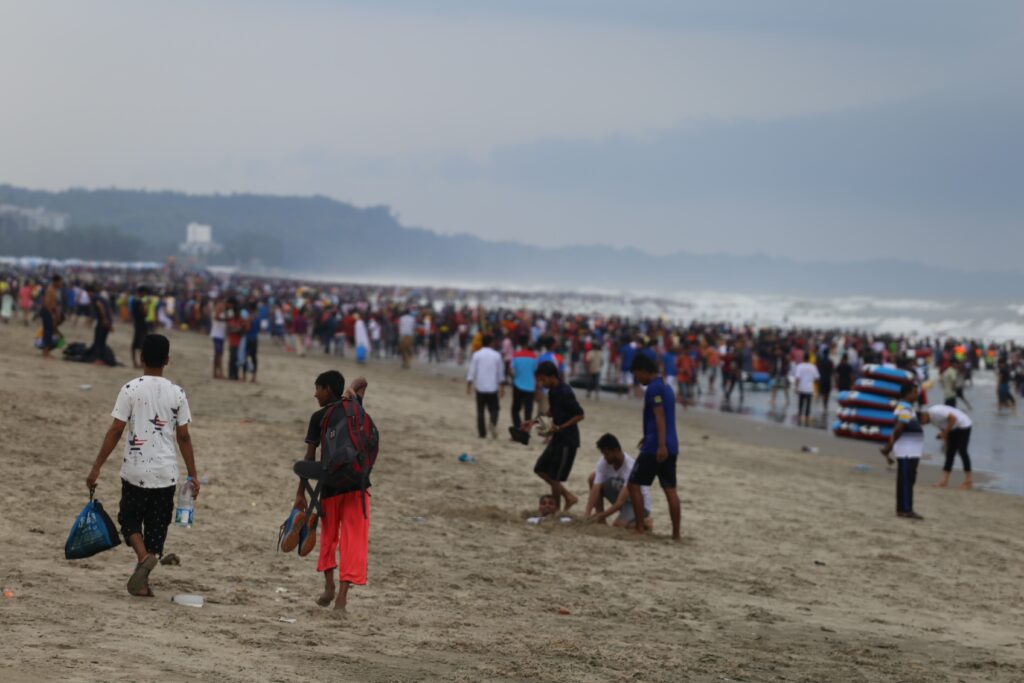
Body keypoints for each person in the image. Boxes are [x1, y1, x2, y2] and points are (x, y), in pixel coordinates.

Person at [85, 334, 199, 597]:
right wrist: (193, 475)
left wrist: (96, 467)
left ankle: (142, 557)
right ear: (167, 360)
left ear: (141, 357)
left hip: (135, 468)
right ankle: (147, 569)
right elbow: (183, 437)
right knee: (157, 528)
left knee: (129, 520)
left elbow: (115, 430)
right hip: (165, 472)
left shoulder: (130, 389)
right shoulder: (178, 393)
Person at [294, 371, 371, 611]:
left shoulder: (319, 417)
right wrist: (351, 392)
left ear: (328, 389)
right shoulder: (354, 408)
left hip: (330, 486)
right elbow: (362, 382)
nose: (315, 394)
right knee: (353, 541)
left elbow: (310, 457)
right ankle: (342, 599)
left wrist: (300, 494)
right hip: (358, 486)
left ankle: (329, 587)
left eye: (318, 389)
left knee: (329, 537)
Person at [627, 353, 681, 539]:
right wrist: (647, 436)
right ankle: (675, 534)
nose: (637, 378)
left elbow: (660, 416)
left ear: (643, 371)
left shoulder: (653, 389)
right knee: (670, 489)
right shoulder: (666, 386)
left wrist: (659, 445)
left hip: (656, 447)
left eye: (637, 374)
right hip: (670, 444)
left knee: (633, 483)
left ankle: (640, 527)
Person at [524, 361, 585, 511]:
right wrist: (533, 421)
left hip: (567, 440)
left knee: (555, 477)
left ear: (552, 377)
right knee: (540, 469)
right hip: (557, 438)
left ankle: (555, 510)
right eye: (539, 380)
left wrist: (559, 427)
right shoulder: (553, 391)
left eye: (542, 379)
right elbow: (552, 411)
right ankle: (569, 497)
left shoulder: (565, 391)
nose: (540, 383)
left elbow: (580, 415)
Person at [585, 433, 652, 530]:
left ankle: (645, 522)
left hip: (638, 504)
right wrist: (587, 513)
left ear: (616, 450)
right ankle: (601, 519)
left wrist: (603, 515)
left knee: (618, 525)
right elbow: (595, 488)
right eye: (603, 454)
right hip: (622, 497)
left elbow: (619, 502)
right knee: (593, 477)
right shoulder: (604, 462)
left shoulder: (630, 467)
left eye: (607, 454)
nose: (604, 457)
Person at [880, 384, 924, 520]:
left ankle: (904, 508)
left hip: (911, 450)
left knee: (908, 479)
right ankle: (905, 509)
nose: (917, 395)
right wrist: (890, 446)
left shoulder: (907, 407)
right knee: (906, 479)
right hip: (907, 450)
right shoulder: (905, 407)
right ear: (907, 394)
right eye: (914, 392)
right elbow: (899, 428)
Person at [919, 405, 973, 489]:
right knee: (949, 453)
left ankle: (968, 481)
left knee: (962, 451)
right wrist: (947, 441)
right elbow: (944, 427)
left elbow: (952, 418)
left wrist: (945, 434)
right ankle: (944, 481)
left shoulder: (935, 411)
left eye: (922, 422)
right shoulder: (931, 420)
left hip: (964, 424)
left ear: (923, 415)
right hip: (952, 427)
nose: (924, 424)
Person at [466, 334, 505, 439]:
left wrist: (469, 385)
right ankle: (492, 422)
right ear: (491, 343)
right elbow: (500, 373)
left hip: (480, 387)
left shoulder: (477, 355)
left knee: (480, 411)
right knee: (494, 409)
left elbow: (471, 371)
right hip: (492, 387)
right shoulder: (496, 355)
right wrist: (502, 387)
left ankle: (482, 433)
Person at [510, 337, 538, 429]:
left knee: (515, 409)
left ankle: (517, 427)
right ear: (527, 342)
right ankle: (526, 430)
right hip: (530, 386)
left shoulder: (515, 355)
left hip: (517, 384)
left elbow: (511, 370)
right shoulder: (534, 356)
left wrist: (514, 377)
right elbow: (536, 372)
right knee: (528, 410)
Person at [88, 283, 113, 364]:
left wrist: (104, 320)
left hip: (103, 322)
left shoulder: (95, 298)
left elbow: (100, 307)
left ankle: (98, 359)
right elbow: (108, 309)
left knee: (98, 340)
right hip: (107, 321)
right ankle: (102, 359)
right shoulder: (100, 297)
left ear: (90, 292)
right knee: (102, 341)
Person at [40, 274, 63, 358]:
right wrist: (53, 314)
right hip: (47, 312)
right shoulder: (51, 290)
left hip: (48, 311)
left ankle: (45, 351)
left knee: (48, 330)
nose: (61, 284)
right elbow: (47, 303)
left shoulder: (53, 289)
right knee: (48, 331)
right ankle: (46, 352)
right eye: (60, 282)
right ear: (55, 282)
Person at [792, 358, 820, 425]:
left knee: (800, 404)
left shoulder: (800, 366)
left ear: (803, 358)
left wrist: (796, 387)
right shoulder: (813, 367)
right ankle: (806, 418)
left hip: (801, 387)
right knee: (808, 404)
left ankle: (799, 417)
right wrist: (815, 386)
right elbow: (817, 378)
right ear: (809, 359)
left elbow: (797, 378)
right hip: (809, 388)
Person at [816, 349, 834, 413]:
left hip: (822, 379)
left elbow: (817, 369)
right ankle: (825, 405)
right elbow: (832, 371)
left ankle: (823, 405)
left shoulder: (820, 361)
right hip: (828, 379)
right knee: (827, 393)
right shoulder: (830, 362)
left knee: (823, 393)